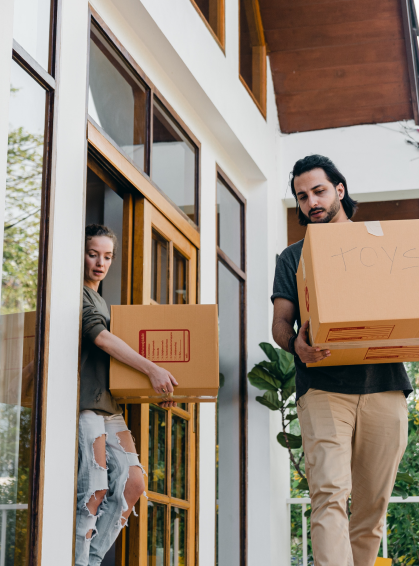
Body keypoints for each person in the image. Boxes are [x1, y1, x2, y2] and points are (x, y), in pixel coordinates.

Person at [271, 155, 412, 566]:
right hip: (323, 388)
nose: (310, 201)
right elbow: (281, 323)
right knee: (329, 493)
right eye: (301, 196)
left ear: (339, 190)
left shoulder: (381, 245)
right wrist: (295, 342)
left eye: (317, 191)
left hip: (385, 386)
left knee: (372, 506)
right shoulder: (292, 257)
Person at [76, 224, 178, 566]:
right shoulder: (76, 293)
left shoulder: (104, 301)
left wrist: (158, 387)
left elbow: (117, 365)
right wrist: (152, 369)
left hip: (109, 406)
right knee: (96, 487)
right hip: (86, 403)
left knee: (133, 483)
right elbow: (101, 339)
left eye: (107, 256)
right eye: (93, 254)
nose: (100, 263)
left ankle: (89, 560)